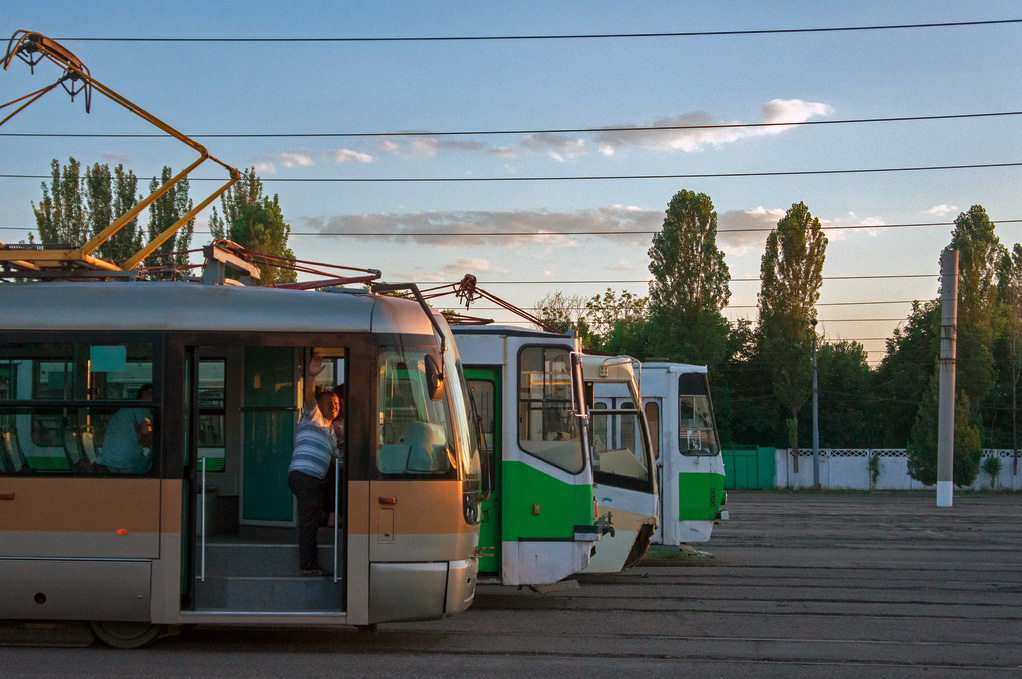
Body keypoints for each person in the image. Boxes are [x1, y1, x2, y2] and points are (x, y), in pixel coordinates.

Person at [287, 356, 339, 577]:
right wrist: (312, 376)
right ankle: (308, 565)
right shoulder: (313, 416)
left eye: (337, 404)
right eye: (330, 402)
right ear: (320, 404)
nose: (334, 406)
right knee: (308, 523)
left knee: (312, 519)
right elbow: (309, 395)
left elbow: (338, 458)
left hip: (314, 479)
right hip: (305, 475)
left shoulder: (332, 432)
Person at [95, 383, 153, 474]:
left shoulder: (131, 409)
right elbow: (145, 430)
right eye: (152, 394)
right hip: (124, 460)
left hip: (111, 458)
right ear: (144, 394)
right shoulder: (139, 407)